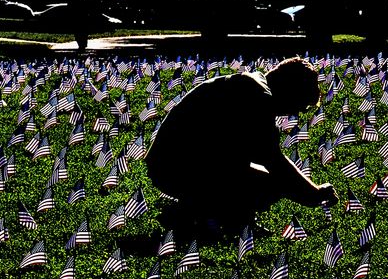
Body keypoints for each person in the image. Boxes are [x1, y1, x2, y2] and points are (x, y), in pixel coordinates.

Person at [144, 57, 337, 236]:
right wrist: (314, 194)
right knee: (270, 185)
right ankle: (192, 213)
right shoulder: (258, 97)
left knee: (258, 177)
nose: (294, 114)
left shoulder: (252, 85)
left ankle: (221, 215)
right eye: (299, 105)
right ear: (290, 90)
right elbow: (275, 163)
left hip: (173, 163)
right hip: (175, 168)